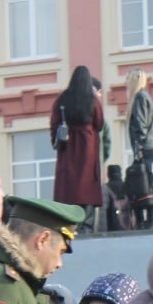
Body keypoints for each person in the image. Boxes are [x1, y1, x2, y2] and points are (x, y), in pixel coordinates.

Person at [51, 66, 105, 228]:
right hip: (88, 143)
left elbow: (54, 122)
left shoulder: (62, 99)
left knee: (69, 183)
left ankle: (70, 224)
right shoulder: (92, 99)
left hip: (68, 145)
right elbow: (100, 122)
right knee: (87, 182)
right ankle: (86, 225)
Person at [125, 68, 153, 230]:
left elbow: (140, 125)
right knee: (147, 181)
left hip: (144, 146)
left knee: (142, 184)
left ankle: (147, 220)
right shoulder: (146, 97)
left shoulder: (139, 97)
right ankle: (148, 218)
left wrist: (138, 149)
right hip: (150, 145)